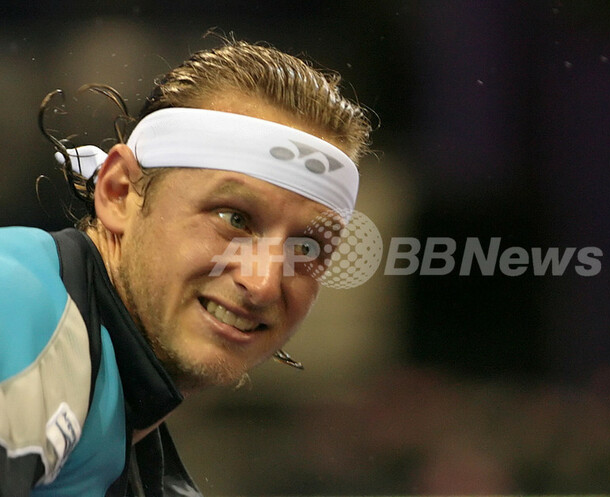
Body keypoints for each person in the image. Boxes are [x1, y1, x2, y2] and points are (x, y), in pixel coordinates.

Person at [0, 34, 372, 497]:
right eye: (234, 218)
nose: (263, 283)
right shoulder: (16, 302)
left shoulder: (118, 433)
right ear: (119, 193)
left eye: (307, 247)